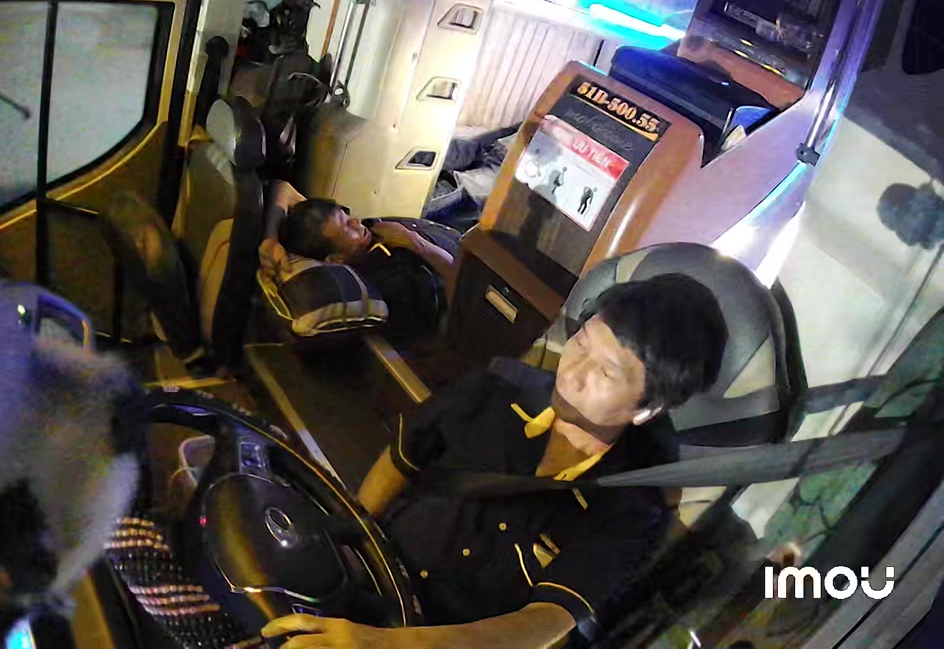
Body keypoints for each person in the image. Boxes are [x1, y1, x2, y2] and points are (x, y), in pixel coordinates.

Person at [261, 273, 728, 648]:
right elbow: (400, 460)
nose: (574, 373)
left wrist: (385, 643)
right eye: (583, 342)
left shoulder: (633, 508)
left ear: (647, 409)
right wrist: (352, 546)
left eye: (606, 371)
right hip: (374, 572)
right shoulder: (494, 389)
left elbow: (544, 623)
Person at [262, 180, 458, 338]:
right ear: (335, 259)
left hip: (434, 227)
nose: (356, 221)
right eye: (347, 227)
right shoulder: (390, 280)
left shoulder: (333, 236)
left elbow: (284, 188)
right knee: (467, 181)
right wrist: (414, 242)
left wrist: (270, 238)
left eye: (347, 216)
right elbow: (460, 282)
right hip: (458, 246)